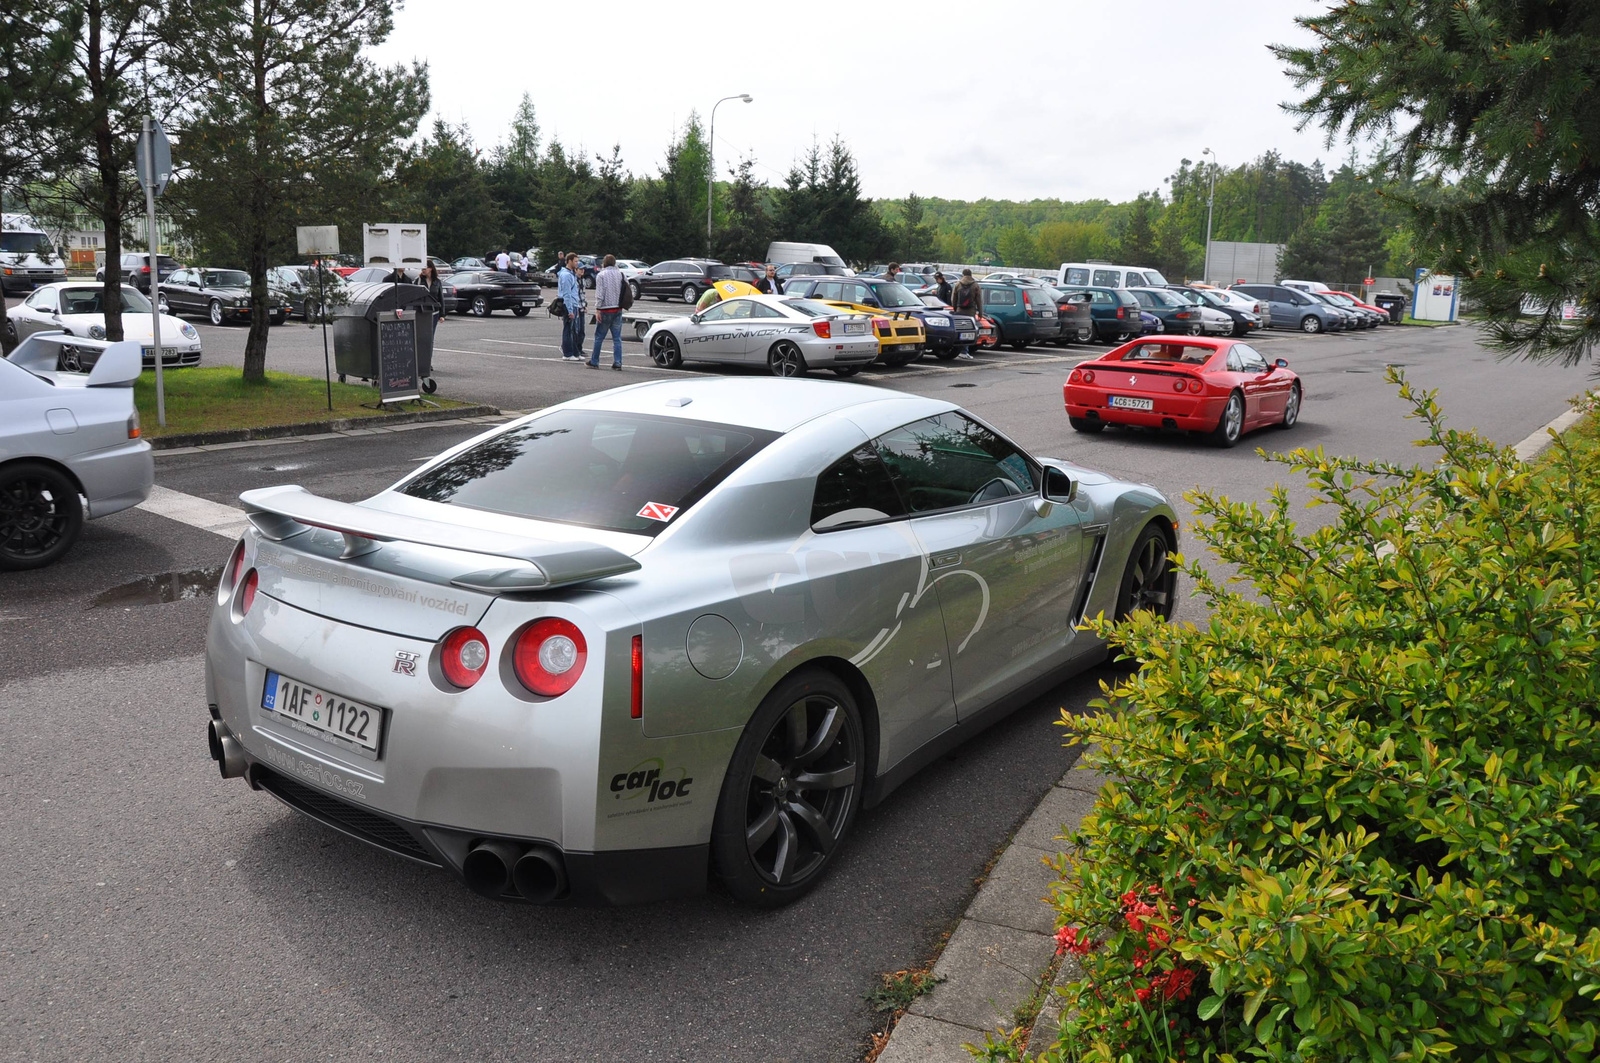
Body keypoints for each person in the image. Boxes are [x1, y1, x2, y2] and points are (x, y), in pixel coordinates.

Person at [587, 255, 625, 371]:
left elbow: (600, 294)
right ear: (614, 263)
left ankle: (595, 361)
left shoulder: (601, 275)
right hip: (618, 308)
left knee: (599, 337)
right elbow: (626, 289)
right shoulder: (621, 274)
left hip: (605, 309)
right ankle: (617, 362)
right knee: (617, 338)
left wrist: (598, 309)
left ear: (604, 263)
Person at [558, 252, 586, 361]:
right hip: (569, 305)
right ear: (569, 261)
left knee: (575, 330)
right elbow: (567, 294)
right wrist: (570, 310)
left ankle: (575, 352)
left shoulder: (572, 274)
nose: (577, 263)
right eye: (575, 261)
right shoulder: (566, 275)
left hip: (575, 304)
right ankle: (567, 353)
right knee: (568, 330)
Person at [951, 269, 982, 360]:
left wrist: (955, 309)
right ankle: (965, 351)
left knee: (960, 330)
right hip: (970, 311)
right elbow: (979, 300)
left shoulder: (958, 284)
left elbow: (953, 299)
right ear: (971, 274)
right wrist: (980, 312)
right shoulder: (975, 285)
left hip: (960, 310)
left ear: (963, 274)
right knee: (969, 332)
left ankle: (959, 350)